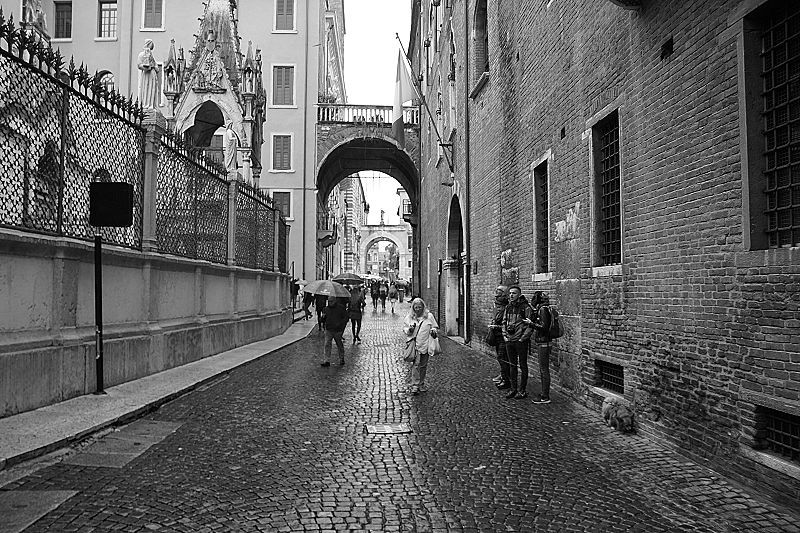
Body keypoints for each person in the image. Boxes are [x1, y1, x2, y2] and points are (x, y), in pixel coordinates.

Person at [502, 286, 534, 399]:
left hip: (520, 341)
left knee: (523, 365)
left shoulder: (525, 308)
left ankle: (522, 390)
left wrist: (522, 338)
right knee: (512, 365)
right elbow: (504, 322)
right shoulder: (508, 307)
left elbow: (530, 325)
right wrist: (504, 335)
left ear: (519, 295)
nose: (511, 295)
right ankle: (513, 388)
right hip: (509, 340)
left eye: (514, 293)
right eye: (510, 293)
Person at [403, 298, 439, 395]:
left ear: (423, 307)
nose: (418, 309)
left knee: (423, 365)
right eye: (416, 307)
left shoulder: (429, 316)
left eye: (420, 307)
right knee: (416, 365)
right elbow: (405, 329)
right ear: (413, 308)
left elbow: (434, 327)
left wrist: (433, 331)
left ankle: (421, 384)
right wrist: (410, 330)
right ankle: (415, 385)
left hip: (425, 344)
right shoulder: (409, 317)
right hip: (415, 345)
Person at [528, 291, 553, 404]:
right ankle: (544, 393)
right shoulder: (544, 308)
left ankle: (545, 396)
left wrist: (531, 323)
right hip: (544, 342)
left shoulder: (543, 309)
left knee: (544, 369)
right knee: (543, 369)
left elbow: (544, 327)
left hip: (544, 342)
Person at [489, 285, 511, 390]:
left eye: (499, 293)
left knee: (502, 358)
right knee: (501, 357)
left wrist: (496, 326)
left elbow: (506, 324)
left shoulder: (506, 308)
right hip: (498, 336)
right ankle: (503, 376)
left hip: (503, 337)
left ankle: (506, 379)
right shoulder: (498, 307)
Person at [321, 297, 348, 366]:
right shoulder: (326, 309)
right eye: (329, 301)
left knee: (339, 344)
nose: (330, 303)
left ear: (335, 301)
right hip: (329, 329)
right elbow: (323, 320)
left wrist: (341, 326)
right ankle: (327, 360)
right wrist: (323, 317)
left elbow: (345, 318)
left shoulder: (341, 308)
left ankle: (341, 358)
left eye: (331, 301)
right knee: (327, 344)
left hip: (338, 330)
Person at [137, 39, 159, 109]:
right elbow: (139, 65)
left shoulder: (151, 56)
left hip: (152, 74)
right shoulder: (141, 54)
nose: (149, 49)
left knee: (152, 89)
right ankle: (146, 104)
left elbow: (156, 66)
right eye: (149, 46)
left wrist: (154, 67)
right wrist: (146, 67)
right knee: (146, 88)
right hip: (147, 74)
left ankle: (152, 104)